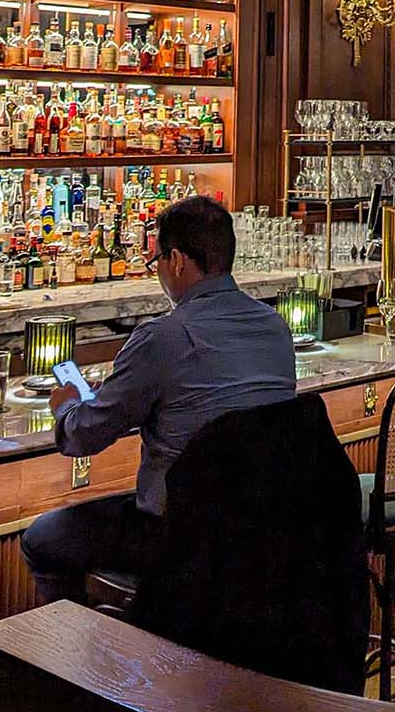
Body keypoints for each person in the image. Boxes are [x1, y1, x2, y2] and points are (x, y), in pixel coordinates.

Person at [20, 194, 297, 603]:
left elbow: (84, 436)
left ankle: (76, 658)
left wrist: (65, 405)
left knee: (42, 537)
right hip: (262, 531)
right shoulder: (276, 326)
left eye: (157, 263)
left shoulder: (162, 338)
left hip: (180, 536)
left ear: (177, 261)